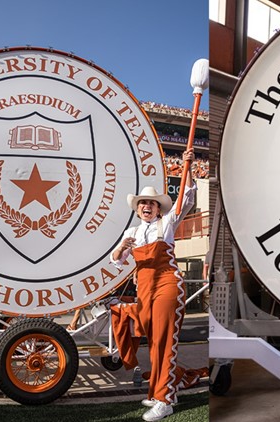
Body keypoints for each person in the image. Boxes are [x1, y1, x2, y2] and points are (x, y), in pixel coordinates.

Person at [110, 148, 197, 421]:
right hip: (144, 291)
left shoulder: (167, 224)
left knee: (162, 340)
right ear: (137, 208)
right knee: (149, 335)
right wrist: (122, 247)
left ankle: (165, 399)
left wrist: (189, 168)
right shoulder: (132, 233)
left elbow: (186, 200)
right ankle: (171, 382)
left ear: (159, 208)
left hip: (168, 284)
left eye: (151, 203)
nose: (147, 206)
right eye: (142, 203)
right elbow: (116, 260)